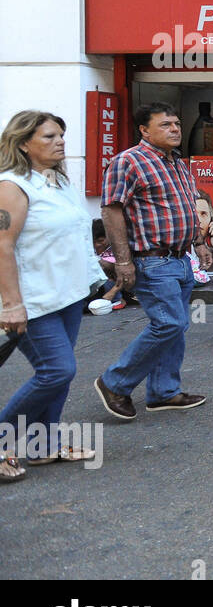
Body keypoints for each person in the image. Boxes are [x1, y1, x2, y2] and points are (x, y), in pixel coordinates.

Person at [0, 111, 103, 481]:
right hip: (33, 297)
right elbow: (2, 245)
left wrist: (96, 278)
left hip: (68, 294)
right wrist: (11, 304)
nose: (60, 141)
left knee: (57, 374)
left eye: (61, 135)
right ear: (23, 143)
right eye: (48, 136)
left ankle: (43, 445)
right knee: (57, 370)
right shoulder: (12, 186)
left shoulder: (57, 181)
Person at [93, 103, 206, 420]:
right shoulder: (129, 161)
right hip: (151, 259)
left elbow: (186, 205)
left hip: (180, 258)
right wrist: (123, 262)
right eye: (165, 124)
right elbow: (111, 210)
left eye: (176, 123)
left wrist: (199, 242)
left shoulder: (177, 162)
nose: (174, 129)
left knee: (174, 329)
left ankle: (163, 392)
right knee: (170, 323)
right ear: (144, 130)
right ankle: (115, 382)